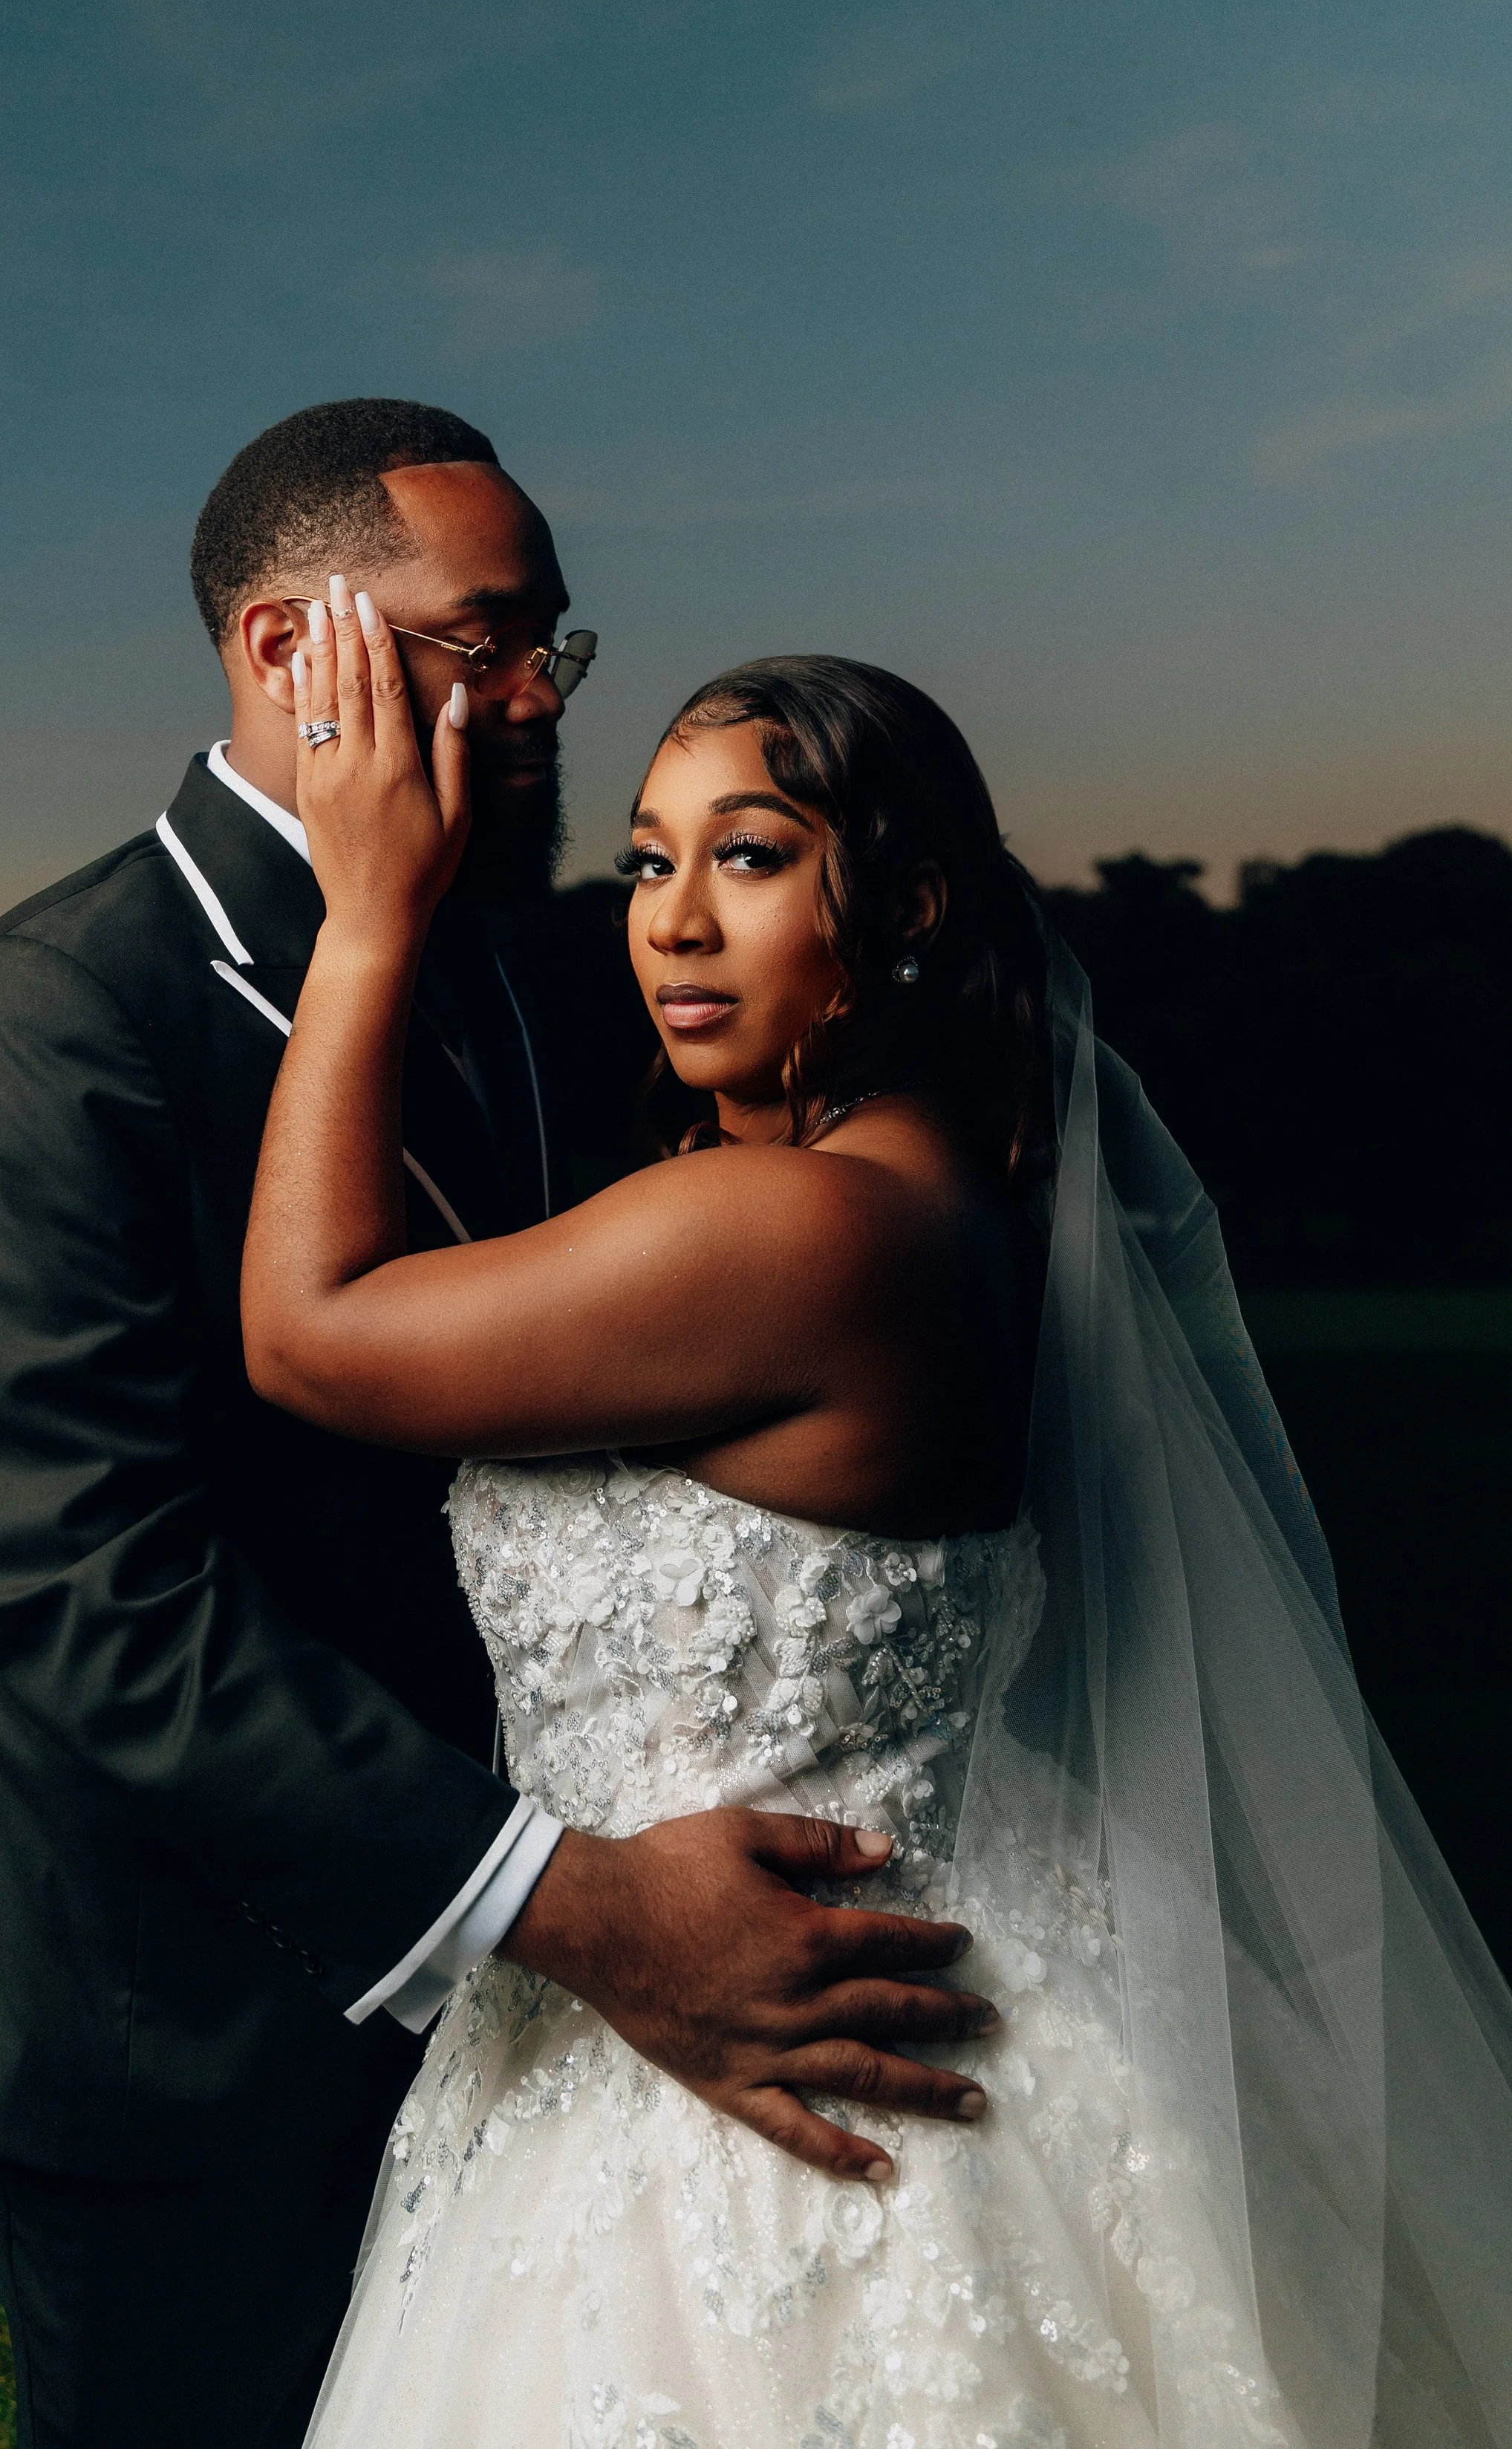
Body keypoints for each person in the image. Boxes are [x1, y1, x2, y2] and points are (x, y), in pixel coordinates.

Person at [240, 598, 1512, 2448]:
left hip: (780, 2099)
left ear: (903, 912)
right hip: (740, 2009)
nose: (670, 919)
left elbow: (309, 1332)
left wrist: (366, 917)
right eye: (648, 859)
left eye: (750, 859)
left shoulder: (804, 1231)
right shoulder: (855, 1182)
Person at [0, 400, 991, 2449]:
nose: (547, 697)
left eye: (562, 641)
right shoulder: (46, 1008)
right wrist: (563, 1900)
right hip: (171, 1979)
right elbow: (89, 1578)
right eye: (491, 642)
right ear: (295, 653)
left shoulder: (509, 969)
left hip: (525, 1958)